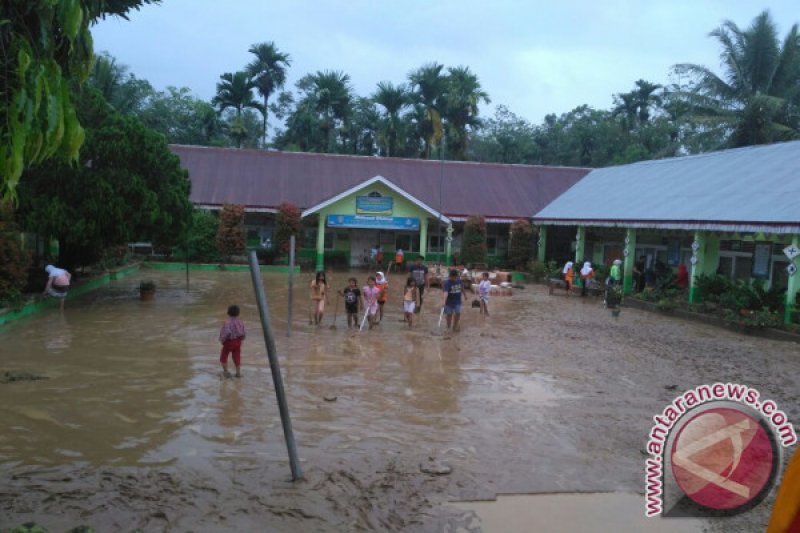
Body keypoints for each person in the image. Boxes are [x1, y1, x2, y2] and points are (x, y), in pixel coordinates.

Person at [219, 305, 246, 378]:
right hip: (237, 342)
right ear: (238, 313)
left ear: (228, 313)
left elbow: (226, 333)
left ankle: (226, 372)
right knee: (237, 356)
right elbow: (243, 333)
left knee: (223, 356)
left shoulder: (227, 323)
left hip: (228, 342)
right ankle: (238, 373)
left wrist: (222, 340)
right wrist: (242, 338)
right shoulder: (240, 322)